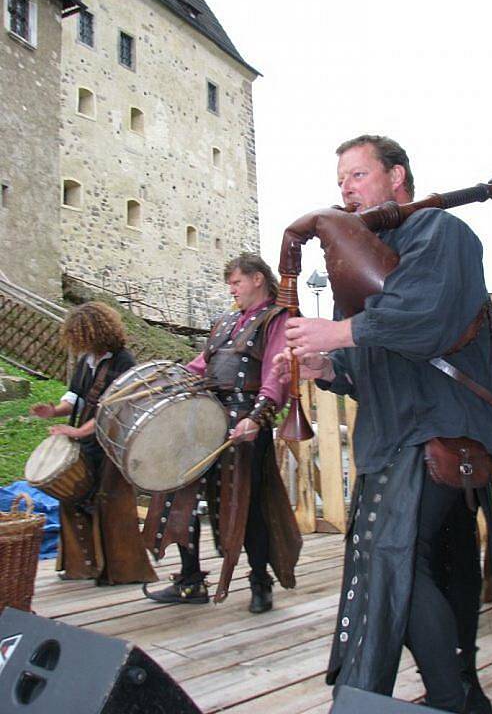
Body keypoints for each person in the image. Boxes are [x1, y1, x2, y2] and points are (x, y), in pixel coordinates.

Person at [274, 136, 492, 713]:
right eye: (340, 182)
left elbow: (426, 319)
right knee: (431, 572)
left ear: (396, 177)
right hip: (392, 439)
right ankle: (460, 693)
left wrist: (340, 333)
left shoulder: (439, 233)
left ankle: (452, 699)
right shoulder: (360, 260)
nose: (345, 190)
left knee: (397, 570)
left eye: (357, 175)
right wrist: (326, 363)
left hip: (437, 429)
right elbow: (364, 366)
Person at [143, 253, 302, 613]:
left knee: (248, 506)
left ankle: (260, 581)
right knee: (179, 492)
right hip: (208, 419)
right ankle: (190, 580)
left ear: (258, 279)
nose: (232, 290)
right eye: (230, 284)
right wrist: (166, 381)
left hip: (247, 422)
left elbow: (278, 371)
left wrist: (258, 417)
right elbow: (202, 365)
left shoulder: (276, 318)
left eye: (237, 283)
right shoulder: (225, 320)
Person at [31, 301, 157, 586]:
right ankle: (82, 565)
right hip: (88, 442)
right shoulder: (86, 362)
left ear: (96, 333)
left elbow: (111, 410)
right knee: (71, 499)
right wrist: (53, 412)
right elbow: (74, 398)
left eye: (82, 337)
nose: (80, 343)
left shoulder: (123, 361)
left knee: (110, 501)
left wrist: (75, 433)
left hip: (111, 444)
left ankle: (122, 569)